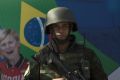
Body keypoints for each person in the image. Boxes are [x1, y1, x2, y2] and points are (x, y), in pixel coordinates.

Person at [28, 7, 108, 80]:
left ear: (70, 28)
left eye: (65, 26)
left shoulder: (87, 55)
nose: (61, 30)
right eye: (57, 26)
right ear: (51, 29)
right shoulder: (40, 57)